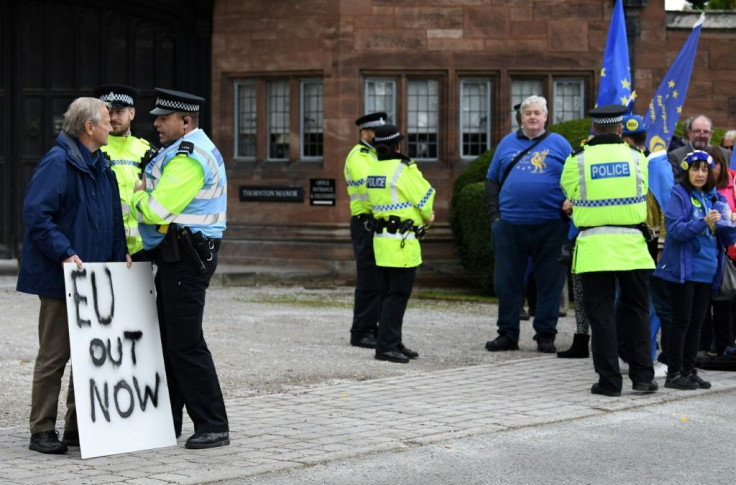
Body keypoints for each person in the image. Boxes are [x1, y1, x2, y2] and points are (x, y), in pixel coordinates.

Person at [16, 97, 130, 454]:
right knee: (55, 356)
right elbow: (37, 215)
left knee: (88, 355)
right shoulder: (58, 163)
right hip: (61, 278)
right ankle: (42, 430)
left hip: (94, 280)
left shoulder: (102, 165)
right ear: (88, 128)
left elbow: (112, 220)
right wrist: (65, 252)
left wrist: (119, 255)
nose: (112, 124)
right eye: (105, 120)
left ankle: (78, 429)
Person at [131, 88, 229, 449]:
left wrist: (137, 195)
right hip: (178, 256)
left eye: (163, 118)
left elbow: (157, 210)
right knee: (170, 341)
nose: (155, 123)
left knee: (186, 344)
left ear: (185, 122)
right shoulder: (181, 150)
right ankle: (167, 421)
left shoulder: (189, 157)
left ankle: (213, 424)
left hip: (188, 258)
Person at [560, 104, 657, 397]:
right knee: (637, 312)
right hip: (632, 247)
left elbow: (569, 195)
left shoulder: (576, 160)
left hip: (594, 249)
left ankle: (609, 382)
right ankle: (642, 378)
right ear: (619, 129)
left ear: (593, 129)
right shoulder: (638, 158)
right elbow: (643, 193)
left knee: (600, 316)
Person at [484, 95, 572, 353]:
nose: (533, 116)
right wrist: (495, 218)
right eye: (528, 113)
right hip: (510, 226)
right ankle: (508, 334)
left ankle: (546, 335)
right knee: (507, 283)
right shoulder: (506, 144)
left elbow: (576, 182)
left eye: (537, 112)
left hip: (552, 226)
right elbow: (491, 182)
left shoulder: (560, 144)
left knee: (550, 283)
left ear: (546, 117)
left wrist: (569, 207)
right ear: (521, 117)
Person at [654, 150, 736, 390]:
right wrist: (703, 222)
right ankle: (674, 373)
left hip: (707, 271)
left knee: (698, 323)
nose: (700, 174)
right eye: (695, 169)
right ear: (686, 172)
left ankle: (690, 370)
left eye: (704, 169)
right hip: (683, 271)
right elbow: (676, 231)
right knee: (682, 322)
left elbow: (726, 237)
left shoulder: (715, 198)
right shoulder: (678, 195)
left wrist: (730, 222)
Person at [365, 124, 435, 363]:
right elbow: (425, 197)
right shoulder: (402, 169)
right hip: (402, 243)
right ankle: (386, 346)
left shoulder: (374, 169)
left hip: (382, 242)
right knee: (398, 294)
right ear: (397, 146)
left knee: (386, 293)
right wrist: (428, 217)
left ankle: (391, 340)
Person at [93, 84, 156, 260]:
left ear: (132, 113)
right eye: (108, 112)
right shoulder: (93, 149)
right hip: (104, 243)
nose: (113, 117)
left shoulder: (147, 151)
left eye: (119, 111)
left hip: (142, 246)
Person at [344, 112, 386, 349]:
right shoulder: (359, 156)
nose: (379, 136)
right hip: (365, 223)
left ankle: (373, 326)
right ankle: (361, 331)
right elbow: (371, 190)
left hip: (377, 222)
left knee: (379, 279)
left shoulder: (376, 155)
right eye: (375, 132)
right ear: (364, 133)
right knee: (369, 279)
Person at [700, 146, 736, 357]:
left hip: (724, 254)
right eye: (706, 166)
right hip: (702, 255)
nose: (710, 170)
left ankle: (724, 344)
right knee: (702, 305)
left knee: (724, 300)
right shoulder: (695, 193)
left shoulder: (728, 190)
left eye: (715, 165)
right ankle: (701, 346)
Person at [668, 115, 728, 182]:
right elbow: (675, 184)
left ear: (711, 134)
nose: (701, 135)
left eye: (706, 132)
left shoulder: (725, 154)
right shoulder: (675, 156)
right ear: (689, 133)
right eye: (697, 131)